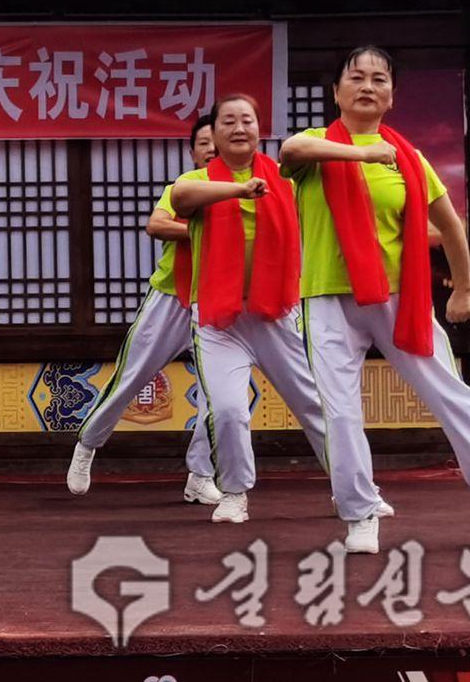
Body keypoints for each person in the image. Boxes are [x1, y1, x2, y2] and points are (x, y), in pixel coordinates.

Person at [282, 46, 470, 553]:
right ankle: (360, 512)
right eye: (355, 77)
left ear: (391, 96)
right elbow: (291, 150)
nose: (367, 86)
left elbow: (450, 226)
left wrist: (465, 288)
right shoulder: (316, 147)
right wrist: (362, 154)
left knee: (451, 393)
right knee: (339, 412)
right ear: (336, 91)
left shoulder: (409, 159)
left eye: (378, 79)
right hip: (327, 299)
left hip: (397, 298)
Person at [171, 94, 330, 525]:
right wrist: (239, 189)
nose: (239, 128)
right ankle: (234, 492)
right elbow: (181, 199)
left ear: (260, 129)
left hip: (275, 314)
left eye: (247, 120)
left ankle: (354, 490)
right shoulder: (198, 181)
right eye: (228, 121)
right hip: (220, 321)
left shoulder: (284, 179)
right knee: (227, 410)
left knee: (315, 405)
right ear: (214, 132)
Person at [69, 113, 223, 505]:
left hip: (217, 300)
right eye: (203, 143)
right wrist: (202, 233)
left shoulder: (240, 191)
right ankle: (88, 443)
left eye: (216, 141)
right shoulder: (183, 187)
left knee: (218, 394)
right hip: (171, 297)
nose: (211, 149)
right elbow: (156, 225)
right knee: (131, 376)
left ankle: (201, 474)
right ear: (193, 152)